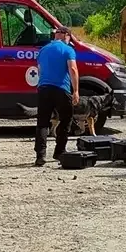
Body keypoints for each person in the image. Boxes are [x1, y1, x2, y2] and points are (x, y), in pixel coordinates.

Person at [34, 26, 79, 167]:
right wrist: (76, 90)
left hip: (44, 89)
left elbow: (40, 70)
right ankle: (59, 152)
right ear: (67, 36)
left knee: (42, 122)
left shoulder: (43, 50)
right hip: (61, 89)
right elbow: (72, 69)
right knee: (66, 119)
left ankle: (40, 156)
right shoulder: (68, 49)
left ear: (55, 36)